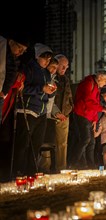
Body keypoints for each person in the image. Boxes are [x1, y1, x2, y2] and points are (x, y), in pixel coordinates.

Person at [13, 43, 56, 176]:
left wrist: (52, 91)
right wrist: (41, 89)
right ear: (38, 56)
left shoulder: (46, 73)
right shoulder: (28, 69)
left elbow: (47, 93)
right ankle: (18, 171)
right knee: (24, 143)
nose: (47, 62)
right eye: (45, 59)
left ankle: (32, 171)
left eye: (49, 60)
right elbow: (22, 89)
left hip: (41, 112)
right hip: (28, 110)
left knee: (36, 144)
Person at [69, 70, 106, 169]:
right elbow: (88, 101)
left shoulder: (96, 86)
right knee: (85, 139)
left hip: (89, 116)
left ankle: (90, 164)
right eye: (105, 80)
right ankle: (74, 163)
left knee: (91, 142)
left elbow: (95, 102)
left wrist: (95, 119)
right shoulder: (88, 83)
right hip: (81, 114)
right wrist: (103, 109)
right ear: (100, 78)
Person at [0, 34, 29, 125]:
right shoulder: (3, 51)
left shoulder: (14, 60)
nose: (20, 53)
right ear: (11, 42)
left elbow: (11, 76)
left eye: (23, 51)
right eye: (20, 49)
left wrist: (4, 92)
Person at [52, 54, 72, 171]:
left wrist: (68, 110)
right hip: (51, 114)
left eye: (66, 66)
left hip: (64, 115)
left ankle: (61, 168)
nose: (64, 69)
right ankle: (44, 168)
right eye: (62, 66)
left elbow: (69, 96)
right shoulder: (51, 76)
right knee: (48, 142)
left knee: (62, 143)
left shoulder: (65, 79)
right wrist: (56, 112)